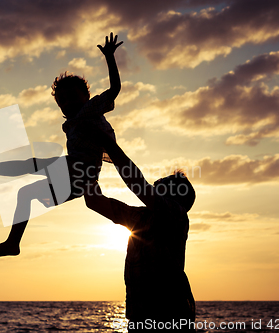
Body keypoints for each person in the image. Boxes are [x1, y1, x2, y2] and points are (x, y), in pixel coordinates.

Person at [0, 32, 123, 257]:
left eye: (72, 96)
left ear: (86, 96)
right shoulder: (72, 122)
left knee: (31, 164)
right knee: (26, 192)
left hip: (80, 172)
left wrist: (110, 57)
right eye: (62, 101)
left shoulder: (90, 109)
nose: (67, 103)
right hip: (79, 176)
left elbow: (114, 89)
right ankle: (13, 242)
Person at [83, 126, 196, 332]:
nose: (156, 183)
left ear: (176, 193)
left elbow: (138, 185)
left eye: (162, 182)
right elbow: (94, 201)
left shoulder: (177, 215)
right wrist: (88, 167)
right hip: (139, 319)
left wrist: (109, 145)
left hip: (170, 316)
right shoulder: (139, 218)